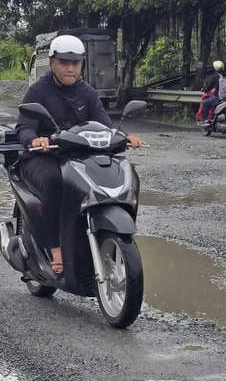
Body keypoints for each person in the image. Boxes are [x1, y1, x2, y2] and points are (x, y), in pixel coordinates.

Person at [16, 34, 147, 276]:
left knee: (115, 174)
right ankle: (55, 247)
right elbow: (24, 126)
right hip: (44, 157)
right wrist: (34, 139)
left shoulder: (87, 92)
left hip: (78, 158)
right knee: (55, 182)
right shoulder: (38, 91)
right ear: (52, 62)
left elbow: (105, 125)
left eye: (75, 63)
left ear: (81, 65)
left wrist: (124, 137)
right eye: (64, 63)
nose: (70, 68)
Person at [198, 60, 226, 125]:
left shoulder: (215, 76)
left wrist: (205, 90)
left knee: (205, 103)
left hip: (219, 98)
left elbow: (210, 87)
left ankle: (205, 120)